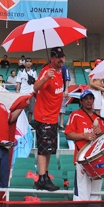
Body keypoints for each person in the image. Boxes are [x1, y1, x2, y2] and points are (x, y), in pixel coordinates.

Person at [33, 47, 66, 191]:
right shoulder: (47, 71)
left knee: (49, 150)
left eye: (62, 57)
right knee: (43, 149)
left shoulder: (61, 72)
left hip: (53, 117)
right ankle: (41, 178)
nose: (61, 60)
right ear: (51, 58)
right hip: (44, 117)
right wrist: (46, 77)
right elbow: (36, 87)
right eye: (57, 57)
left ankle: (45, 176)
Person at [65, 89, 104, 201]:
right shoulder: (75, 115)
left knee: (96, 193)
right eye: (86, 99)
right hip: (82, 158)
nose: (89, 101)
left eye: (91, 98)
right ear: (81, 101)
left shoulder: (98, 117)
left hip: (97, 158)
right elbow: (68, 134)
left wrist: (100, 133)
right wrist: (84, 136)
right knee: (82, 193)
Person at [59, 63, 71, 130]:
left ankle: (61, 124)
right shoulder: (50, 67)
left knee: (62, 108)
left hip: (62, 90)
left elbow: (67, 79)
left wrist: (66, 90)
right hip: (53, 92)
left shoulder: (64, 67)